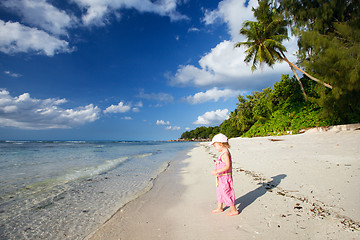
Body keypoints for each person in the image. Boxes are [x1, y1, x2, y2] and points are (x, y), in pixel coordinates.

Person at [210, 133, 238, 216]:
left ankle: (234, 210)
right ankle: (220, 207)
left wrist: (217, 171)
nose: (215, 148)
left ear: (221, 144)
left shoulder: (225, 154)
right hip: (221, 177)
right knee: (219, 192)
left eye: (215, 146)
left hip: (225, 177)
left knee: (226, 192)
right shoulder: (223, 152)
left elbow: (228, 166)